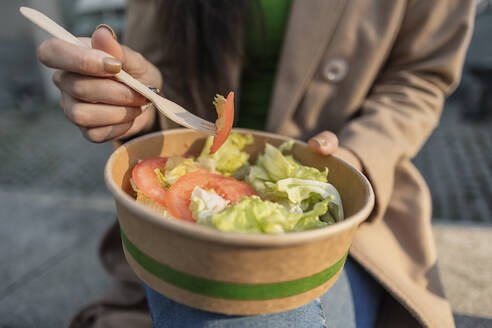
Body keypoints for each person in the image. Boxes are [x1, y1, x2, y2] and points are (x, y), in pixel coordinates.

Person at [37, 0, 475, 327]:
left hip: (353, 230)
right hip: (183, 189)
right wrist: (137, 106)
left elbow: (419, 78)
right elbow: (158, 75)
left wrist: (352, 160)